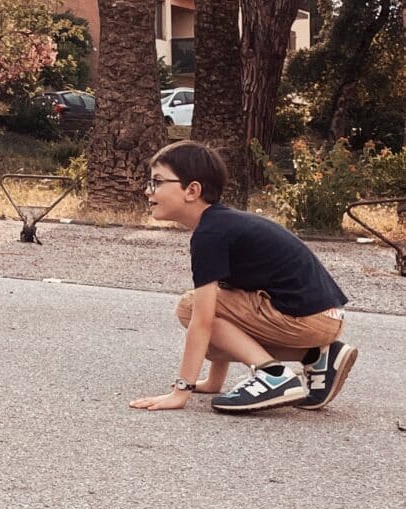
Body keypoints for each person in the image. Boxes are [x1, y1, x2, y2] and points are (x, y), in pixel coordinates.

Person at [129, 140, 356, 413]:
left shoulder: (210, 235)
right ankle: (316, 356)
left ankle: (273, 375)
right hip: (323, 317)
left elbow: (203, 319)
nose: (147, 190)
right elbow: (225, 305)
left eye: (157, 182)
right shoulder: (222, 224)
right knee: (213, 325)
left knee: (190, 309)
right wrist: (213, 382)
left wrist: (181, 391)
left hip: (307, 320)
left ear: (192, 190)